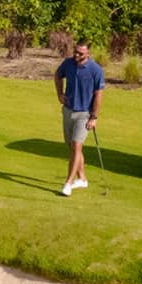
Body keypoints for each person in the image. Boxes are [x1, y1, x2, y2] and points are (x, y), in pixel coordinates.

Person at [53, 37, 105, 196]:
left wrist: (94, 117)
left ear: (88, 53)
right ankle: (82, 179)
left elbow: (98, 95)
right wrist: (59, 94)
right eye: (75, 51)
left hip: (84, 114)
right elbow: (57, 75)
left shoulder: (95, 70)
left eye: (80, 53)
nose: (76, 55)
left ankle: (68, 183)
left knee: (76, 146)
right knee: (72, 147)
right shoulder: (68, 63)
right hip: (68, 111)